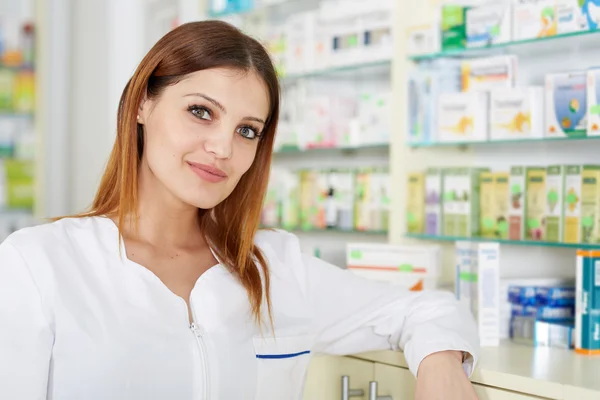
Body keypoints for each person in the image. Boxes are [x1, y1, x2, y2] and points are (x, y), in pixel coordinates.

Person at [0, 21, 479, 400]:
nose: (222, 148)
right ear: (144, 103)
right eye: (201, 112)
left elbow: (428, 309)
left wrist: (440, 363)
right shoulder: (39, 264)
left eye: (247, 130)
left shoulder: (274, 268)